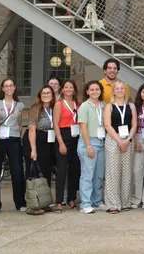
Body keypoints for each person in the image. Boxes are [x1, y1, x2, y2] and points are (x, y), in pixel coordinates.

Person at [0, 78, 25, 214]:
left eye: (11, 85)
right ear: (2, 89)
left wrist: (18, 135)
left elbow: (20, 123)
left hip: (14, 138)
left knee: (17, 170)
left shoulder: (19, 105)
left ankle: (20, 202)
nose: (9, 88)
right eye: (6, 86)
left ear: (14, 87)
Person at [102, 81, 136, 214]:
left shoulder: (131, 106)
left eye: (122, 88)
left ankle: (125, 201)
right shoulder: (109, 106)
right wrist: (119, 141)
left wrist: (128, 140)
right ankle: (113, 203)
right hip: (113, 140)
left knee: (127, 171)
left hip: (128, 140)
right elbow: (107, 125)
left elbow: (134, 125)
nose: (120, 90)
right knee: (113, 172)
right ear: (113, 91)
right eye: (117, 88)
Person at [23, 85, 56, 215]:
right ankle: (32, 205)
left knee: (46, 172)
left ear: (52, 95)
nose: (46, 95)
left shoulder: (54, 108)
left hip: (49, 142)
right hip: (35, 140)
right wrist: (33, 149)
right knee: (34, 173)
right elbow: (31, 129)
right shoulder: (35, 109)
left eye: (48, 93)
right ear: (40, 95)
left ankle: (44, 202)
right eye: (44, 93)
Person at [77, 80, 106, 214]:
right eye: (92, 90)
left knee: (99, 175)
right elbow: (83, 126)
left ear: (100, 91)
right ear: (87, 91)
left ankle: (97, 201)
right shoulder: (84, 106)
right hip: (89, 142)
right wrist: (88, 145)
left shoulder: (103, 105)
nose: (94, 92)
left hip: (101, 142)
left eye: (97, 89)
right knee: (87, 175)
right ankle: (86, 203)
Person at [53, 80, 80, 213]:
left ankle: (71, 198)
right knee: (62, 170)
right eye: (66, 87)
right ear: (62, 90)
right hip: (63, 136)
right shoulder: (59, 104)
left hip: (76, 137)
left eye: (71, 87)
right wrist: (61, 142)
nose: (69, 89)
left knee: (75, 170)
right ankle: (59, 201)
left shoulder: (78, 104)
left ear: (74, 90)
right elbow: (56, 124)